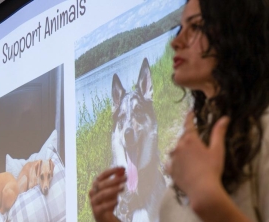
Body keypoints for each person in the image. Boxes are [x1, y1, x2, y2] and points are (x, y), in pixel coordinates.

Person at [89, 0, 269, 221]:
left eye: (194, 27)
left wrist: (208, 196)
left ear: (234, 32)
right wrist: (108, 218)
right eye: (180, 28)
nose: (176, 41)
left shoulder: (264, 131)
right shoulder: (200, 136)